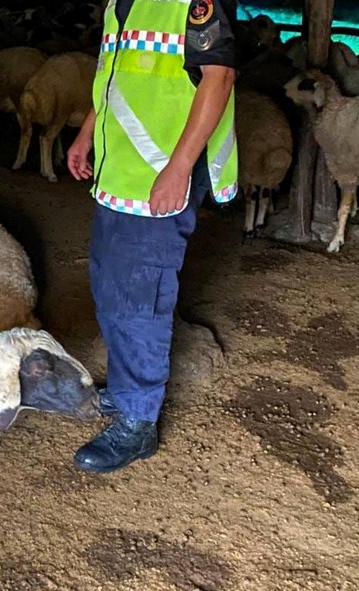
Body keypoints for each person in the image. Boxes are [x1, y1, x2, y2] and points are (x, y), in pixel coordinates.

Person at [66, 0, 238, 473]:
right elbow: (114, 78)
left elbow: (217, 78)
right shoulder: (121, 5)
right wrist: (87, 133)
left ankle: (138, 423)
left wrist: (180, 167)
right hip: (120, 171)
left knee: (141, 295)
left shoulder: (192, 3)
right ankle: (125, 393)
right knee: (110, 285)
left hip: (164, 169)